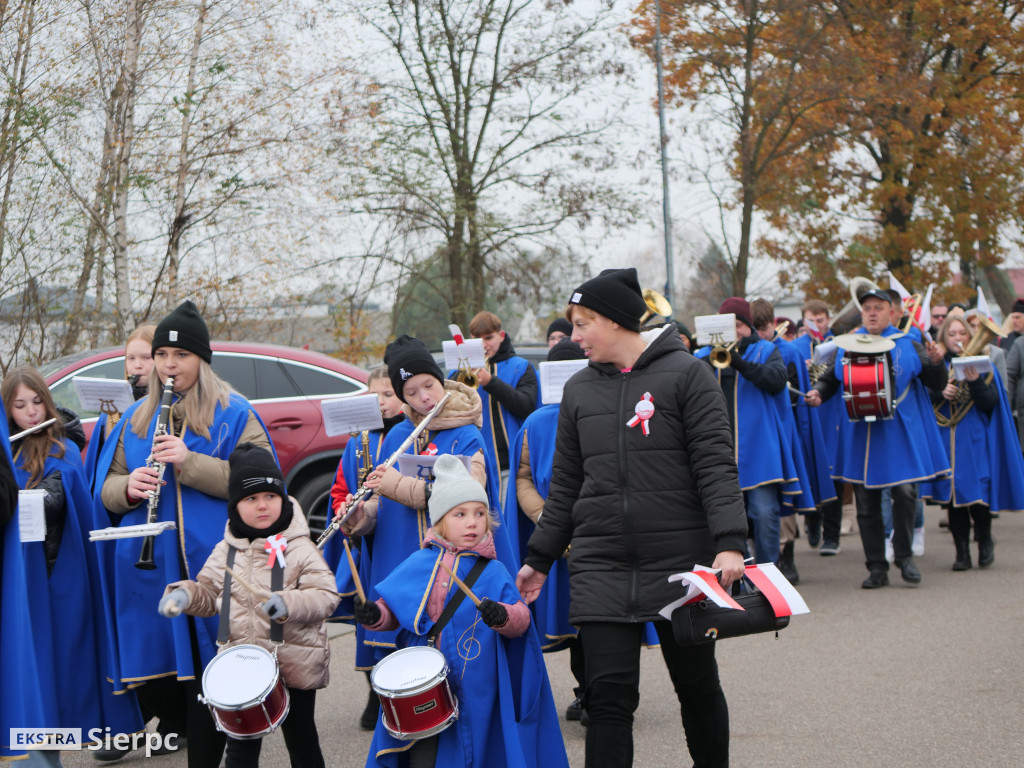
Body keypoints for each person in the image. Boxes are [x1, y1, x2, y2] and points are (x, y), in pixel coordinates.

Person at [516, 268, 747, 768]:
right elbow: (568, 487)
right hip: (602, 567)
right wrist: (540, 557)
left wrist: (729, 541)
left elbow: (715, 463)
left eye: (583, 324)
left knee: (697, 688)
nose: (573, 336)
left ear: (617, 321)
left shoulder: (688, 375)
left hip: (681, 563)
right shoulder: (578, 391)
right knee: (609, 702)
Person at [93, 299, 273, 768]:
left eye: (182, 356)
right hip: (147, 571)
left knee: (214, 678)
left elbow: (261, 486)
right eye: (162, 356)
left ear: (202, 359)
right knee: (158, 678)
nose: (170, 366)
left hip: (211, 568)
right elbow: (105, 490)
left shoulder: (235, 413)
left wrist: (188, 464)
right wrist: (128, 488)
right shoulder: (135, 418)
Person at [354, 454, 567, 768]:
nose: (472, 522)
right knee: (423, 749)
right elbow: (394, 611)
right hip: (424, 680)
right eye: (460, 514)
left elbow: (521, 621)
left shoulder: (494, 571)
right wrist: (376, 616)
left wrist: (503, 616)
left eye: (479, 513)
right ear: (439, 520)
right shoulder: (419, 563)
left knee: (477, 747)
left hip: (478, 682)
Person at [158, 444, 339, 768]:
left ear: (282, 498)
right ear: (235, 506)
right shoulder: (227, 550)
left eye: (270, 496)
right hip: (241, 666)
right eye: (250, 499)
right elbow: (209, 592)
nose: (262, 506)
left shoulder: (298, 546)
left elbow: (325, 596)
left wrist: (287, 603)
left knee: (301, 741)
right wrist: (183, 595)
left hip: (294, 662)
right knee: (240, 748)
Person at [341, 334, 513, 667]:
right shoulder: (397, 435)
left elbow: (468, 489)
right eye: (411, 393)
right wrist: (361, 517)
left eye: (429, 385)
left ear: (440, 380)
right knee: (406, 657)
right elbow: (387, 507)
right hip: (408, 560)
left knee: (459, 652)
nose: (423, 397)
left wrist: (398, 485)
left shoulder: (466, 433)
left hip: (458, 563)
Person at [2, 368, 143, 763]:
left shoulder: (60, 449)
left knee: (59, 663)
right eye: (20, 405)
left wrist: (36, 496)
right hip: (18, 577)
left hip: (57, 573)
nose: (31, 412)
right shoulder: (6, 451)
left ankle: (49, 751)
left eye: (37, 402)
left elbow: (67, 498)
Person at [805, 289, 950, 588]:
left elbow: (935, 383)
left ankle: (904, 557)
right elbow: (832, 377)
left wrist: (937, 362)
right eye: (867, 308)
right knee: (866, 502)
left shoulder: (910, 342)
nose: (872, 313)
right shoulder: (848, 343)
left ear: (892, 312)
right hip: (862, 432)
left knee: (906, 493)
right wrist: (819, 390)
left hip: (899, 431)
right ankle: (876, 567)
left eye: (879, 308)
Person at [694, 297, 815, 569]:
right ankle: (738, 577)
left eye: (739, 324)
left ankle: (769, 573)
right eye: (728, 325)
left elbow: (775, 382)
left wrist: (737, 362)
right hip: (718, 450)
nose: (734, 331)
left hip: (759, 449)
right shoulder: (702, 356)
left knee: (764, 513)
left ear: (748, 325)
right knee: (723, 519)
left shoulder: (765, 350)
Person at [324, 365, 406, 730]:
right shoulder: (358, 442)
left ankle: (403, 688)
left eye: (389, 395)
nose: (382, 403)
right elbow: (340, 489)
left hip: (397, 539)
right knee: (367, 616)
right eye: (375, 395)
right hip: (363, 546)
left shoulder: (408, 437)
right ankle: (374, 691)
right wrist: (345, 508)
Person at [921, 316, 1024, 569]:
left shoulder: (983, 365)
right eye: (952, 334)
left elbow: (991, 403)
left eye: (962, 333)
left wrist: (976, 380)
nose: (957, 338)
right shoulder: (937, 367)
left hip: (975, 438)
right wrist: (941, 391)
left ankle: (986, 540)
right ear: (944, 338)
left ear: (970, 336)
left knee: (977, 495)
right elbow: (925, 397)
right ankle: (962, 553)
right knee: (954, 499)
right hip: (947, 436)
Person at [750, 299, 829, 584]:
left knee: (788, 498)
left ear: (773, 324)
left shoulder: (789, 350)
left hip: (788, 427)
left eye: (765, 327)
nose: (760, 334)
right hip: (761, 433)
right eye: (755, 328)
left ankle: (789, 557)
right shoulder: (748, 350)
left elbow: (798, 397)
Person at [465, 311, 538, 504]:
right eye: (477, 339)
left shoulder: (521, 367)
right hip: (474, 461)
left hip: (510, 462)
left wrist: (490, 382)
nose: (483, 344)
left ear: (502, 336)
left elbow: (526, 407)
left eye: (489, 338)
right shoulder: (460, 371)